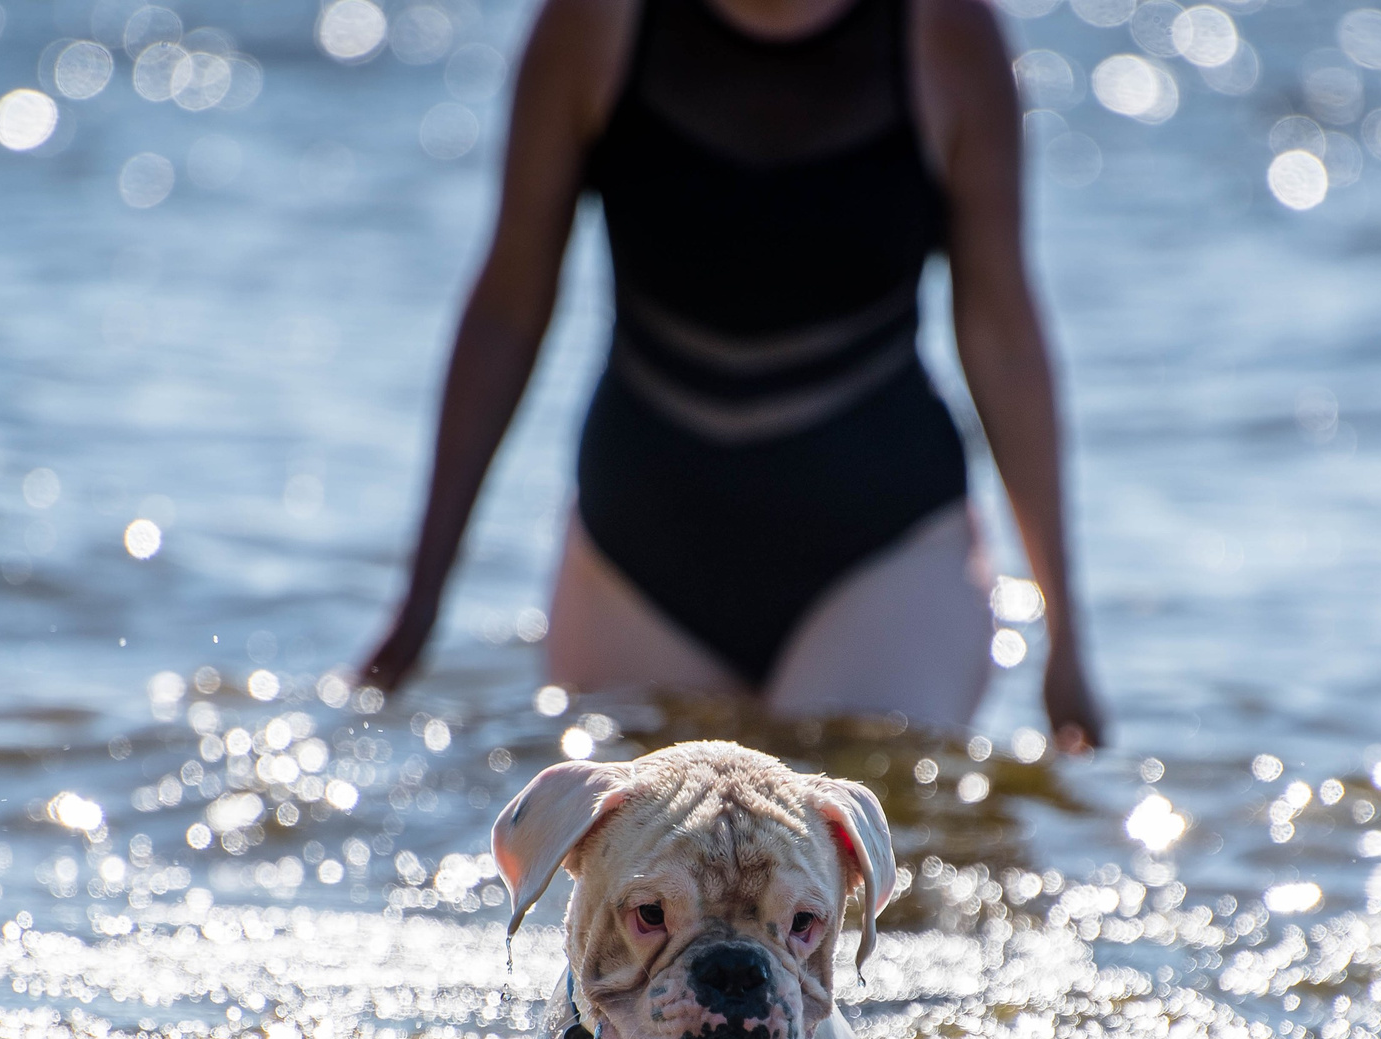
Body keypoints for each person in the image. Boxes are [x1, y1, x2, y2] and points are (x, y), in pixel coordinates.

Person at [356, 0, 1104, 752]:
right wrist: (421, 602)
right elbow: (507, 312)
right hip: (640, 567)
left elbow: (1004, 335)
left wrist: (1066, 639)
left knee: (855, 835)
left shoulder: (945, 30)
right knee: (649, 849)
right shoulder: (595, 23)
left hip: (887, 555)